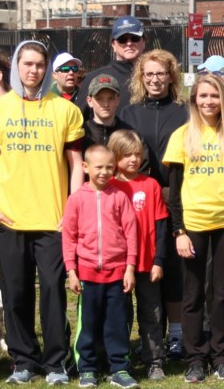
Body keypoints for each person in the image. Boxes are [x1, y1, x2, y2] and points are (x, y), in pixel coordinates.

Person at [0, 40, 85, 385]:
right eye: (27, 64)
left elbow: (76, 164)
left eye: (39, 64)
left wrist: (72, 208)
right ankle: (23, 361)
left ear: (47, 68)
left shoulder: (66, 110)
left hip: (53, 219)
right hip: (10, 218)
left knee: (53, 293)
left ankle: (56, 363)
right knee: (15, 292)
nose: (33, 70)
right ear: (16, 66)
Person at [165, 75, 224, 382]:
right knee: (193, 294)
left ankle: (221, 355)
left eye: (214, 96)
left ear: (222, 99)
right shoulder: (182, 136)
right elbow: (173, 191)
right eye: (202, 96)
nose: (208, 101)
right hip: (193, 225)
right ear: (194, 100)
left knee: (222, 293)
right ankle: (196, 357)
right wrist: (179, 231)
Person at [118, 50, 188, 358]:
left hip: (177, 195)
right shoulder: (129, 113)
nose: (154, 79)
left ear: (171, 76)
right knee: (144, 269)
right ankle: (148, 337)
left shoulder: (185, 111)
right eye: (148, 74)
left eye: (160, 73)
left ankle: (176, 335)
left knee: (174, 271)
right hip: (140, 197)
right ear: (140, 78)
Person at [62, 144, 139, 389]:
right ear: (85, 167)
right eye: (99, 167)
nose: (105, 172)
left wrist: (129, 268)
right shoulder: (75, 199)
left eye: (109, 167)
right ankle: (87, 368)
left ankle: (119, 368)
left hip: (117, 274)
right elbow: (69, 237)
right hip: (86, 274)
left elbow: (131, 235)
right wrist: (71, 271)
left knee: (116, 323)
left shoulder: (119, 197)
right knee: (88, 324)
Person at [110, 130, 169, 381]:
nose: (133, 159)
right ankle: (121, 361)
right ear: (115, 156)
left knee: (151, 314)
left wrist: (159, 261)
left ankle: (154, 361)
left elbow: (161, 226)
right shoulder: (109, 186)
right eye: (127, 155)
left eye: (137, 154)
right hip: (118, 265)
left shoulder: (151, 185)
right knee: (120, 315)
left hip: (147, 262)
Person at [76, 16, 146, 113]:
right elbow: (79, 118)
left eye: (135, 38)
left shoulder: (156, 77)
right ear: (113, 44)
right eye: (122, 39)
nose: (129, 43)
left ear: (144, 42)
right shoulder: (93, 78)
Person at [82, 74, 142, 154]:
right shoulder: (81, 133)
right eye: (99, 99)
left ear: (118, 100)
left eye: (111, 98)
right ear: (89, 101)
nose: (106, 104)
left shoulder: (130, 134)